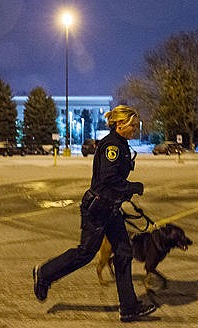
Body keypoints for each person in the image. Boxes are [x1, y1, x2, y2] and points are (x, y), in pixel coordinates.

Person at [32, 105, 156, 322]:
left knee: (124, 253)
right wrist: (132, 188)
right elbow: (108, 180)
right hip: (97, 210)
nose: (136, 129)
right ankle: (44, 274)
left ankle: (128, 307)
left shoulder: (121, 144)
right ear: (120, 125)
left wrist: (125, 193)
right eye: (133, 125)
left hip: (111, 208)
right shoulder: (112, 146)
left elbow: (112, 182)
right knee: (85, 253)